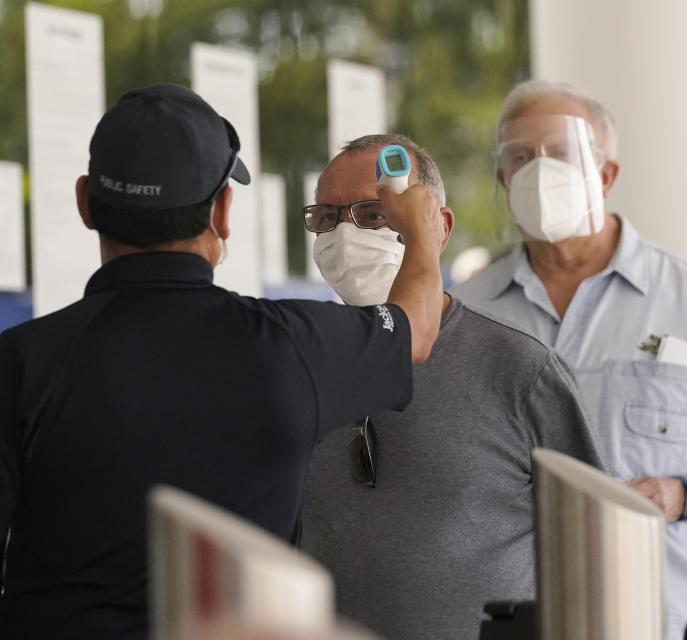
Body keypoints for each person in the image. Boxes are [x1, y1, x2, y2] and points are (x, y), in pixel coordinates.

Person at [0, 85, 445, 638]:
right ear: (223, 212)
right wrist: (422, 231)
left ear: (86, 204)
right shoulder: (295, 345)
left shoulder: (19, 363)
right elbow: (416, 329)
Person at [453, 79, 687, 639]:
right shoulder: (466, 311)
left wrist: (679, 495)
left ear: (605, 175)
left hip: (675, 620)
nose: (540, 170)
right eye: (520, 156)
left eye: (562, 152)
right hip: (523, 620)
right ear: (503, 177)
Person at [301, 134, 605, 640]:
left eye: (374, 215)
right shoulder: (298, 359)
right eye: (326, 218)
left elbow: (597, 542)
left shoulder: (519, 369)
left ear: (437, 228)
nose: (345, 235)